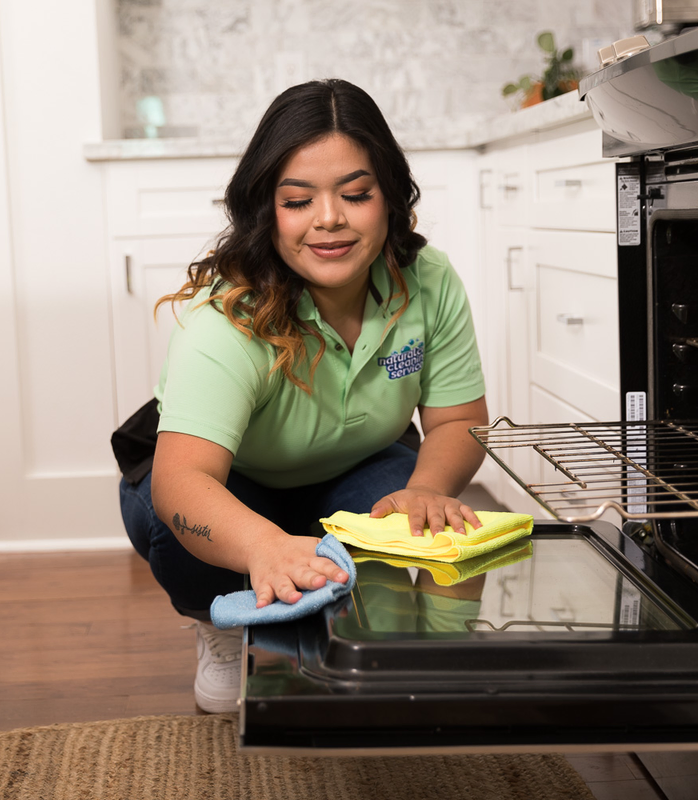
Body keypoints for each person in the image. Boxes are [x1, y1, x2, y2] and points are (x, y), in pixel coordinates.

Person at [112, 79, 489, 713]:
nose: (329, 219)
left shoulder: (430, 281)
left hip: (355, 463)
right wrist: (261, 544)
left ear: (389, 198)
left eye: (356, 194)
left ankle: (346, 620)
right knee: (170, 521)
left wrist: (427, 488)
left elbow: (458, 420)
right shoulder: (226, 317)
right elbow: (184, 480)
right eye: (298, 200)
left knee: (404, 516)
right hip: (229, 480)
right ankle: (220, 623)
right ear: (268, 211)